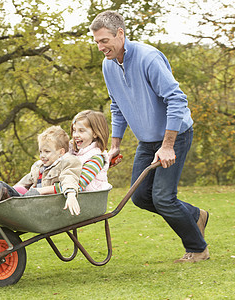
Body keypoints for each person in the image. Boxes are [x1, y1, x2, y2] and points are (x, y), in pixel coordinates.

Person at [89, 11, 209, 263]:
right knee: (141, 197)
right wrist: (115, 145)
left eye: (104, 40)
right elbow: (116, 104)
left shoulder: (148, 58)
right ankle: (196, 215)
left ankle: (198, 249)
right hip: (147, 140)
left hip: (174, 136)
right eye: (97, 41)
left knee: (164, 198)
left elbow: (177, 100)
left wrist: (167, 146)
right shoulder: (108, 65)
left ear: (120, 34)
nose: (100, 47)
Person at [0, 125, 82, 215]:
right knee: (2, 189)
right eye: (40, 151)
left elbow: (69, 180)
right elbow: (23, 182)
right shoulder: (39, 166)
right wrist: (13, 190)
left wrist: (70, 195)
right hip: (31, 200)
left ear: (61, 152)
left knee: (2, 187)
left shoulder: (68, 162)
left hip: (45, 205)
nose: (42, 155)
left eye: (47, 151)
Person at [70, 110, 112, 192]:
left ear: (95, 133)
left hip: (89, 200)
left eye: (81, 131)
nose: (75, 135)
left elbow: (79, 183)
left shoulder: (96, 157)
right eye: (74, 130)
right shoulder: (75, 152)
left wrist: (48, 190)